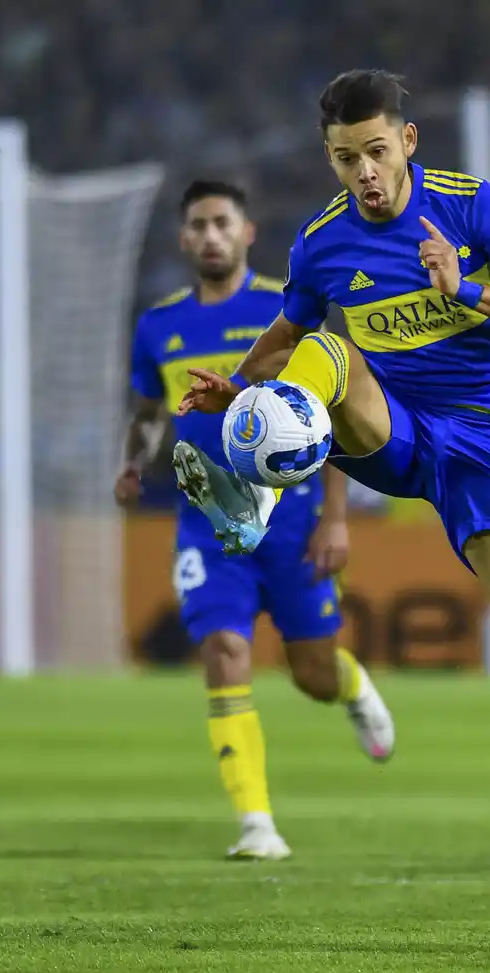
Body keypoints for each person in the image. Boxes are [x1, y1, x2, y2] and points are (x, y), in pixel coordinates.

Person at [170, 71, 490, 896]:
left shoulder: (470, 204)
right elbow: (287, 332)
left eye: (377, 152)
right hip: (392, 426)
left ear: (408, 142)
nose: (364, 173)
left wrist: (468, 289)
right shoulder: (321, 242)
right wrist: (238, 388)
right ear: (330, 157)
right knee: (328, 351)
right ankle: (254, 487)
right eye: (345, 158)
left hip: (487, 437)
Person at [117, 179, 394, 862]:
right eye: (198, 225)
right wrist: (132, 463)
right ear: (183, 239)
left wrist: (336, 518)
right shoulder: (158, 327)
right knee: (224, 651)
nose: (210, 235)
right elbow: (149, 414)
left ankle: (351, 686)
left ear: (246, 233)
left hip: (294, 522)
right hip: (207, 523)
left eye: (222, 222)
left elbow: (328, 414)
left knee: (312, 674)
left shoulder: (286, 310)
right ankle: (256, 823)